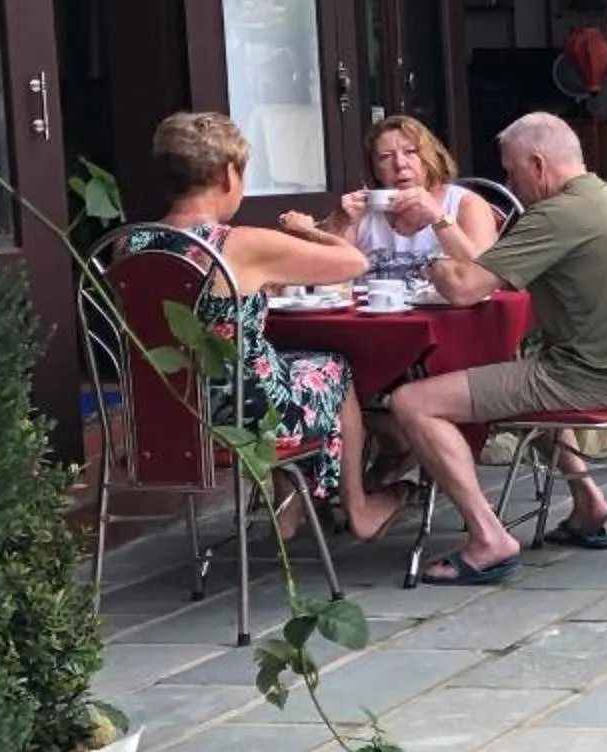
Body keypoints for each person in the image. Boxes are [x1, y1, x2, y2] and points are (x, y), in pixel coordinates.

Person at [383, 112, 607, 584]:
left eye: (511, 171)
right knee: (510, 366)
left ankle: (488, 538)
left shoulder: (557, 216)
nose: (511, 181)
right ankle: (589, 500)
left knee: (411, 402)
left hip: (579, 379)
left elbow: (465, 287)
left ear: (539, 164)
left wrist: (433, 265)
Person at [124, 112, 405, 541]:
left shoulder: (133, 243)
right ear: (226, 174)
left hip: (167, 411)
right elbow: (355, 263)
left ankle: (288, 513)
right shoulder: (238, 243)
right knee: (332, 368)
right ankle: (359, 508)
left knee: (284, 366)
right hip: (245, 416)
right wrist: (312, 230)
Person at [293, 116, 501, 282]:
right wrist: (339, 222)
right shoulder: (363, 210)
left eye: (410, 152)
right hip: (373, 324)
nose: (400, 164)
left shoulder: (465, 204)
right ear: (374, 170)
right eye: (385, 157)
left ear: (429, 159)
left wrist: (439, 218)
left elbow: (482, 276)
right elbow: (321, 276)